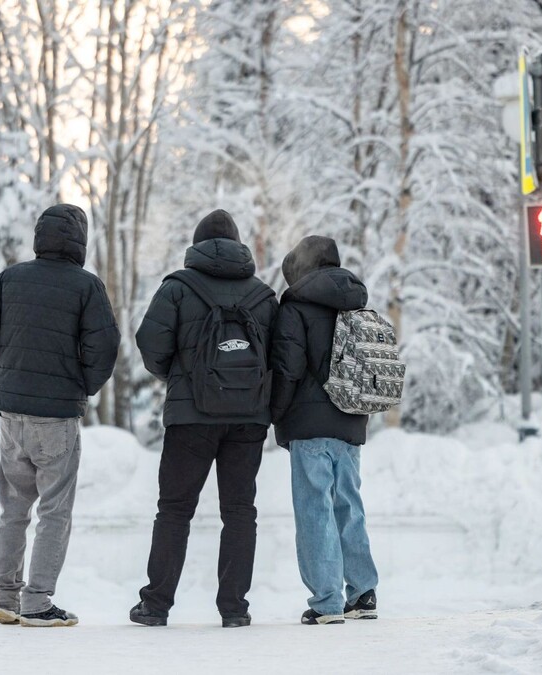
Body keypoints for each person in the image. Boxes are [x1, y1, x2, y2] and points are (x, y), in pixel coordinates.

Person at [0, 204, 121, 628]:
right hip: (56, 418)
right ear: (79, 242)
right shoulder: (87, 287)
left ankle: (5, 598)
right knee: (55, 509)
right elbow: (105, 347)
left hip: (12, 413)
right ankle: (36, 602)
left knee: (13, 507)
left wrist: (13, 370)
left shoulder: (10, 278)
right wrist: (81, 385)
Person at [130, 209, 278, 628]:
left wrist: (180, 377)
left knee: (174, 510)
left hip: (190, 416)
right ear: (239, 245)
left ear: (196, 246)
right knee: (240, 511)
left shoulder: (178, 288)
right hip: (248, 420)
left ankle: (156, 606)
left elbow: (150, 342)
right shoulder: (263, 295)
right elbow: (280, 359)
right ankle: (234, 609)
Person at [270, 235, 378, 625]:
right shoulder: (356, 300)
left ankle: (327, 600)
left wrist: (275, 413)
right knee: (349, 505)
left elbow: (288, 367)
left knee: (315, 509)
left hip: (308, 423)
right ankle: (363, 592)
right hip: (351, 418)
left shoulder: (295, 307)